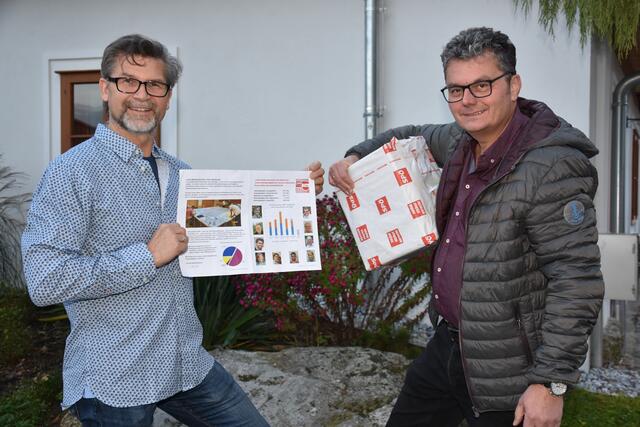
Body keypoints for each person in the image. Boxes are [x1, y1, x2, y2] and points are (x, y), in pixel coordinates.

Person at [328, 27, 603, 427]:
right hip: (448, 346)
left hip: (510, 369)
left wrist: (551, 382)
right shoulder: (460, 141)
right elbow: (406, 136)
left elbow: (577, 279)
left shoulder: (551, 166)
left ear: (513, 85)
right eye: (455, 90)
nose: (467, 100)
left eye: (482, 85)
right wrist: (353, 156)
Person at [21, 34, 275, 427]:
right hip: (115, 380)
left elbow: (231, 232)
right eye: (128, 81)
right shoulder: (70, 173)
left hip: (184, 364)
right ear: (105, 88)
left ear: (168, 97)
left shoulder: (182, 174)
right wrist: (147, 256)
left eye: (155, 84)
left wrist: (295, 195)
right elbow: (44, 281)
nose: (142, 94)